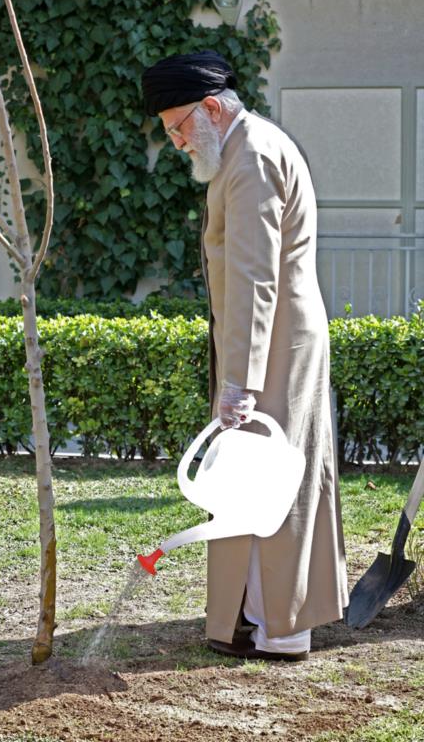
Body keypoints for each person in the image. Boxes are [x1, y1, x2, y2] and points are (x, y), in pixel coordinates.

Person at [142, 50, 349, 661]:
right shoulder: (243, 148)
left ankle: (279, 629)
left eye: (178, 127)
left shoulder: (251, 155)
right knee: (254, 479)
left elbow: (256, 279)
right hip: (275, 339)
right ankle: (255, 618)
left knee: (269, 480)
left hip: (276, 342)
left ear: (211, 108)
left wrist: (241, 383)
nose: (177, 142)